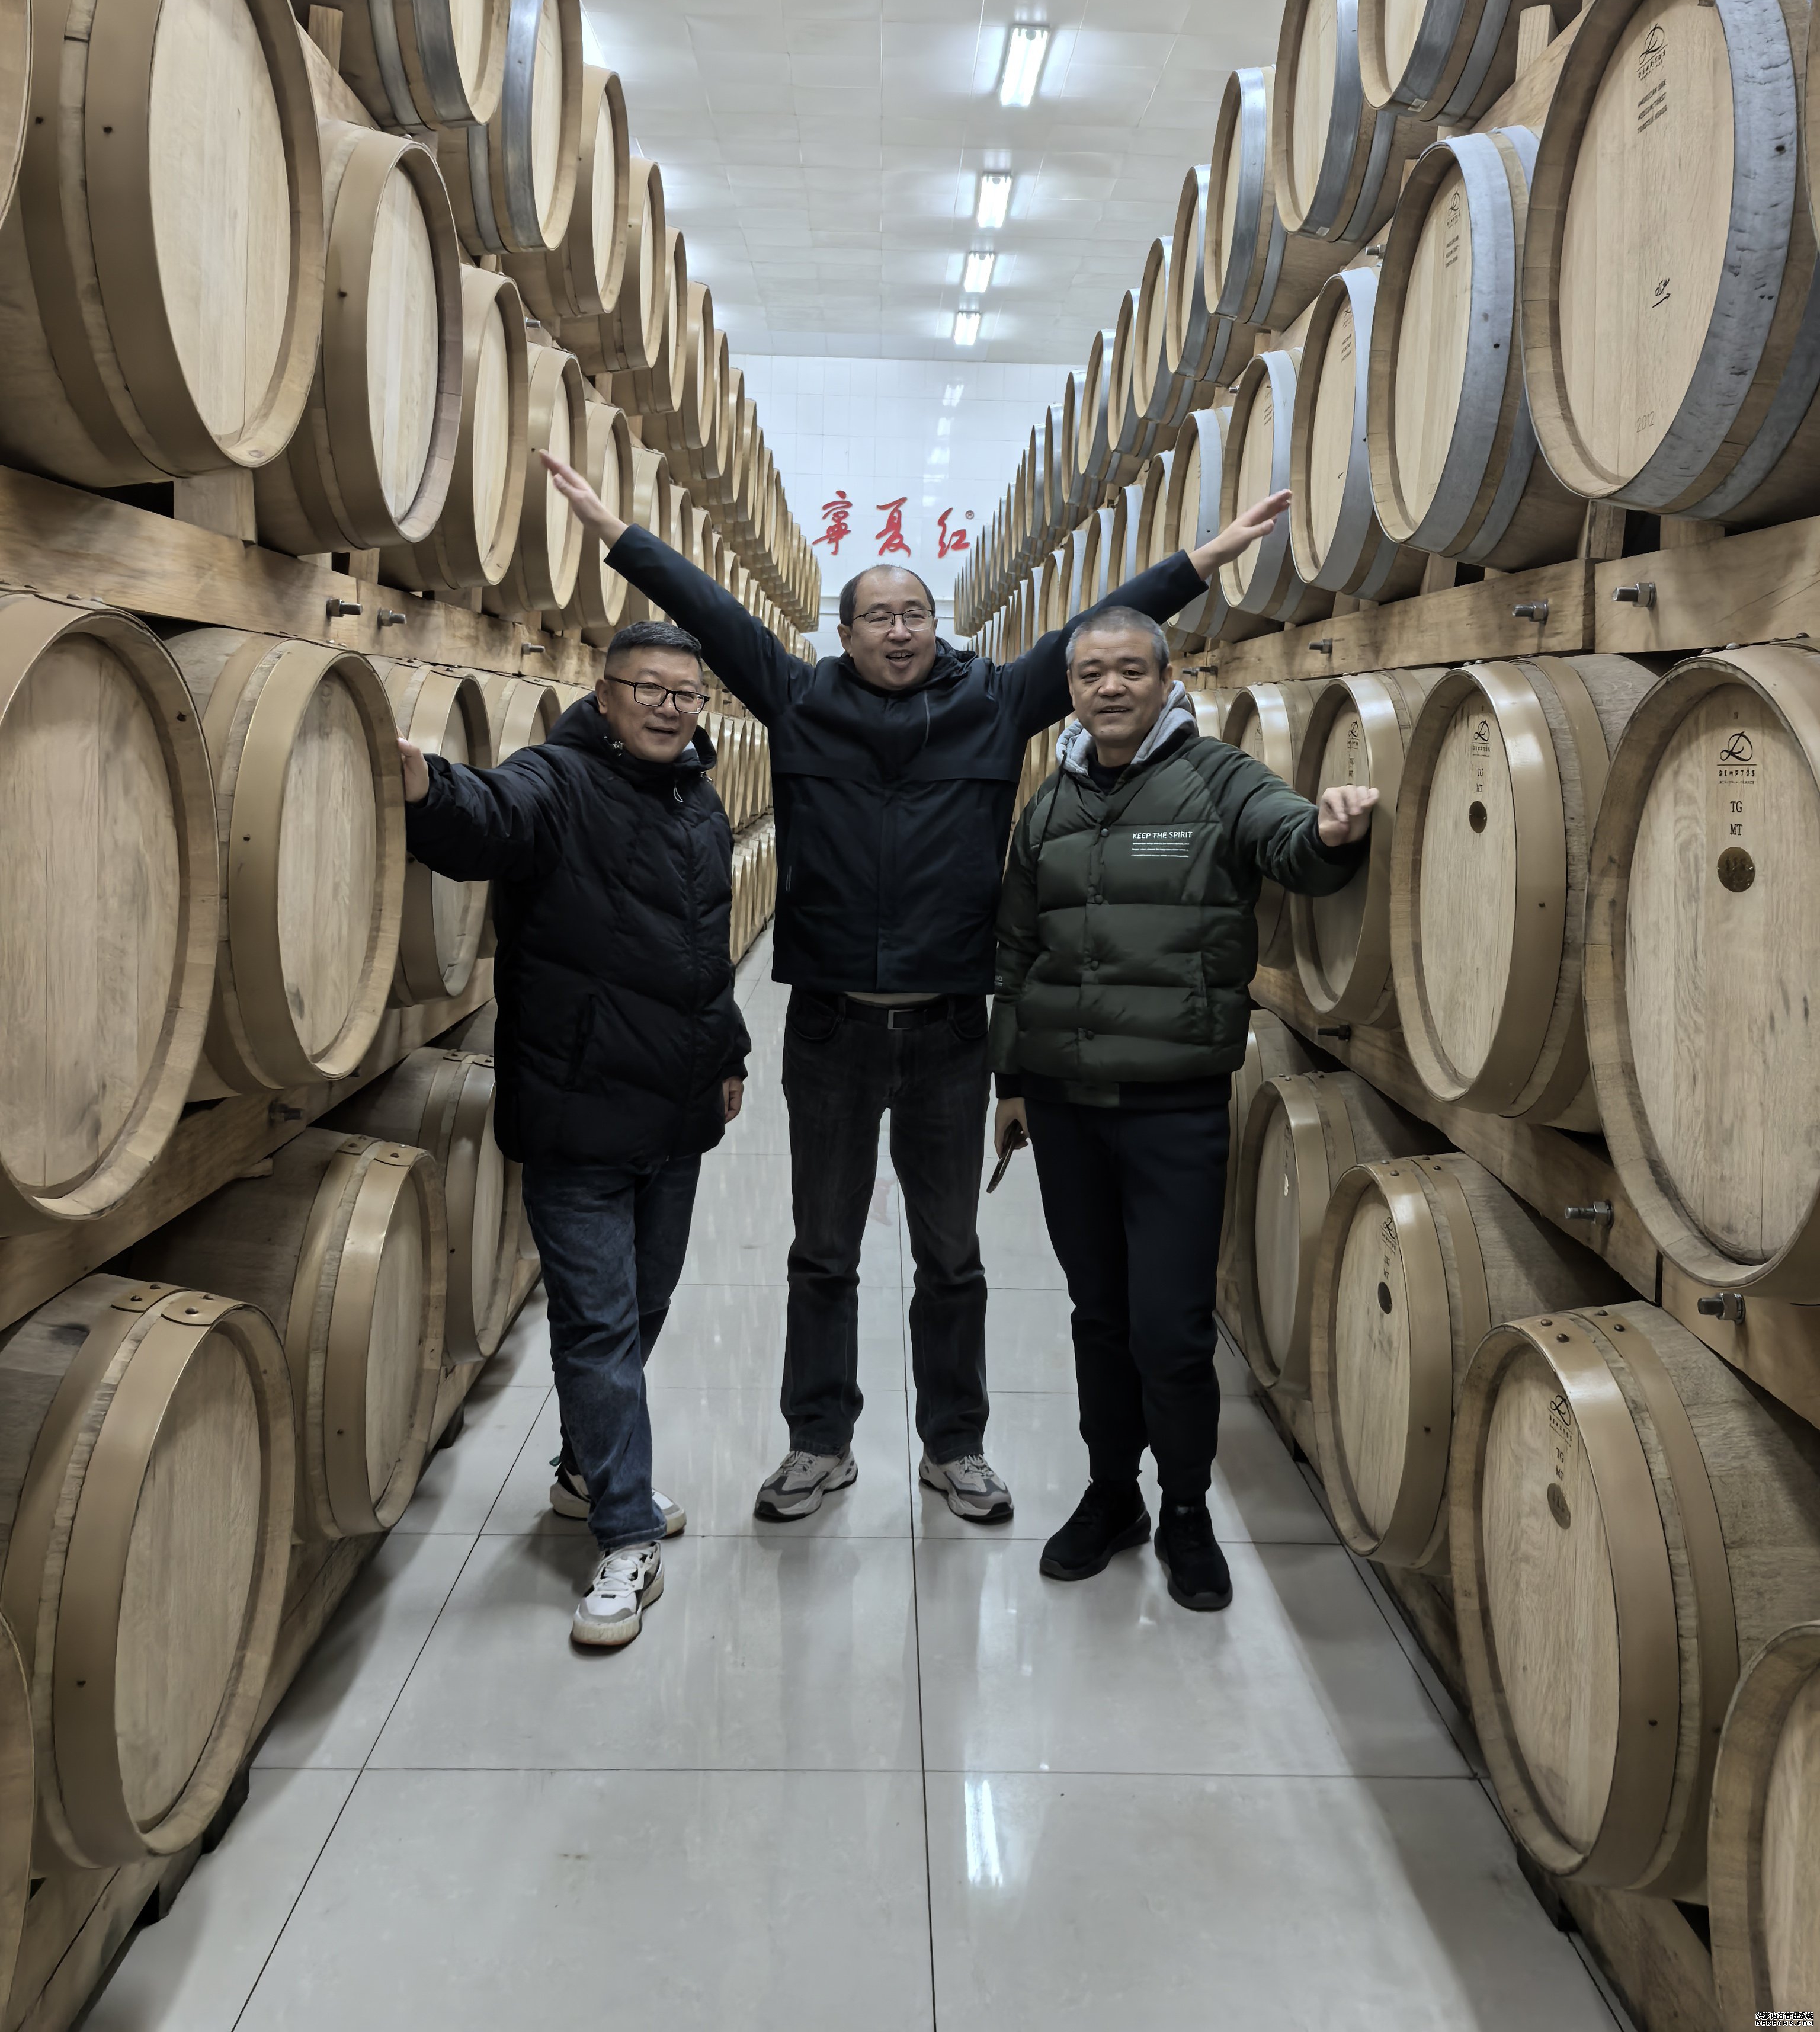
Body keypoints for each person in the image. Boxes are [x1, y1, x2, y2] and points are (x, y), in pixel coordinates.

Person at [540, 443, 1291, 1529]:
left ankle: (957, 1447)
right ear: (843, 633)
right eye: (878, 615)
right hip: (829, 1030)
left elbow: (1096, 635)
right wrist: (618, 533)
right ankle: (819, 1443)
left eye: (917, 613)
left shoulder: (994, 700)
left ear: (938, 626)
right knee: (822, 1254)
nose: (900, 630)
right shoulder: (798, 699)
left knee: (952, 1257)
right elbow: (707, 610)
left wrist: (1200, 562)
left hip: (947, 1033)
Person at [989, 606, 1374, 1612]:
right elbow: (1017, 950)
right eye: (1090, 674)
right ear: (1070, 692)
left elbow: (1288, 842)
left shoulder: (1217, 777)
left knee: (1171, 1326)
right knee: (1098, 1316)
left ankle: (1188, 1508)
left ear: (1166, 681)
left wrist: (1331, 831)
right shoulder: (1051, 800)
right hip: (1065, 1103)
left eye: (1130, 670)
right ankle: (1112, 1493)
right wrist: (1011, 1082)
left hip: (1173, 1104)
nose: (1109, 687)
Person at [398, 619, 750, 1650]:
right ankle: (625, 1533)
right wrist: (428, 788)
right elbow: (489, 819)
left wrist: (728, 1049)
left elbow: (706, 950)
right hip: (578, 1112)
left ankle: (582, 1469)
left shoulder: (697, 797)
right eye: (648, 689)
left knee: (645, 1307)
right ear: (604, 696)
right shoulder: (557, 779)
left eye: (684, 693)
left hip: (675, 1108)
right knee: (598, 1328)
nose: (668, 708)